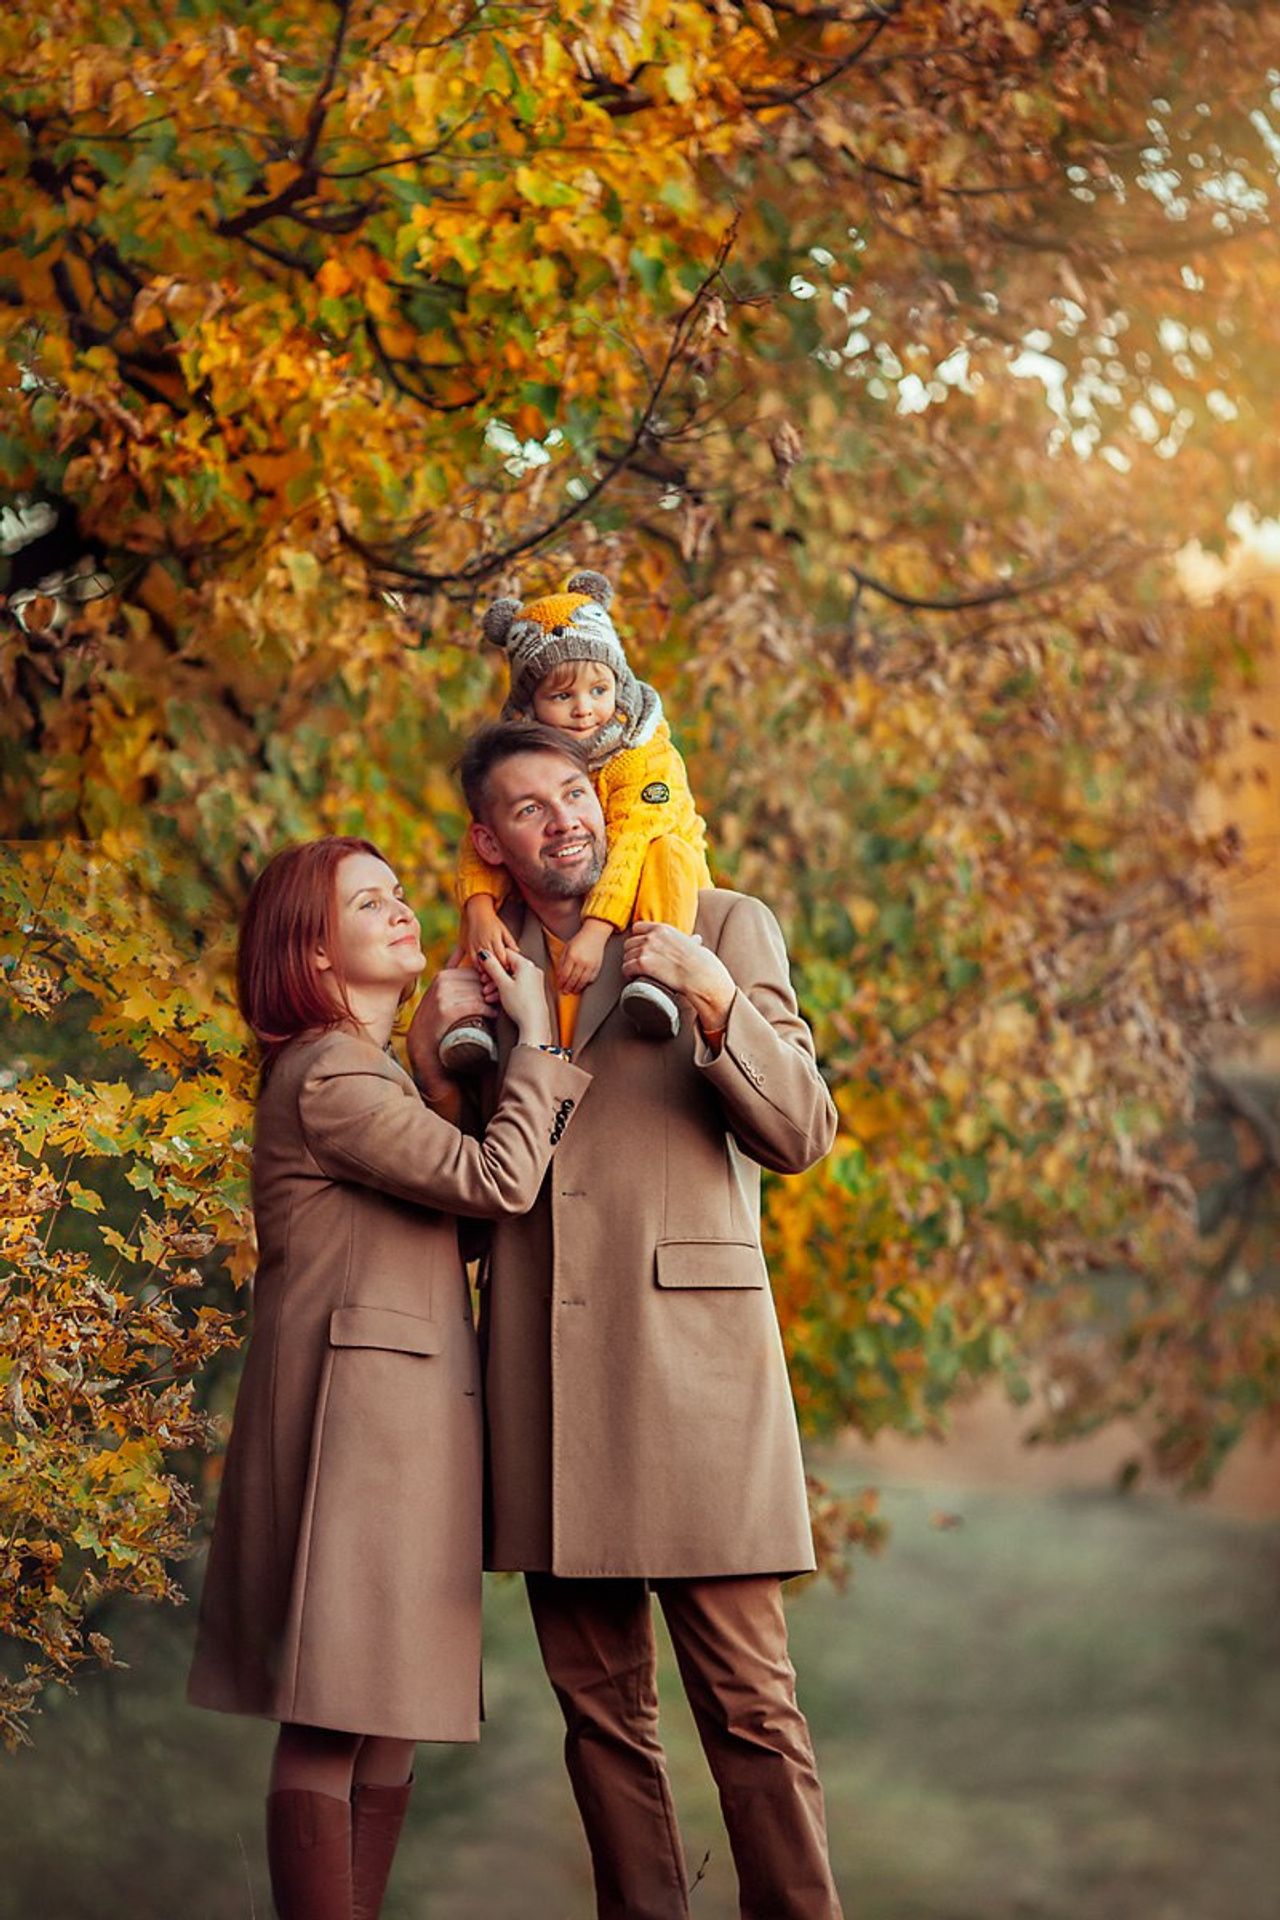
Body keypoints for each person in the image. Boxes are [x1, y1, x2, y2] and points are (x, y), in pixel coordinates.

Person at [409, 724, 845, 1920]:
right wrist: (433, 1068)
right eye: (530, 808)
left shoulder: (721, 921)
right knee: (599, 1719)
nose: (566, 820)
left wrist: (714, 1003)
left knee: (751, 1708)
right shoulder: (477, 976)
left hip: (697, 1373)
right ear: (489, 841)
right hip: (544, 1378)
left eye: (575, 792)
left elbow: (802, 1132)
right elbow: (457, 1202)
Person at [187, 834, 589, 1920]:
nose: (404, 909)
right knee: (335, 1713)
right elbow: (497, 1185)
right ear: (315, 954)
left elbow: (452, 1221)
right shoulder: (328, 1073)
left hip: (408, 1426)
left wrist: (436, 1069)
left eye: (400, 892)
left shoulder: (371, 1076)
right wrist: (540, 1039)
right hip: (352, 1429)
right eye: (369, 904)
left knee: (391, 1714)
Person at [440, 567, 712, 1071]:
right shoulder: (532, 758)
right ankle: (471, 1013)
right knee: (496, 894)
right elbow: (485, 835)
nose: (585, 710)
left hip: (656, 880)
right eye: (563, 697)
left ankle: (656, 978)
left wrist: (594, 932)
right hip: (584, 880)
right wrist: (477, 909)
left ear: (619, 684)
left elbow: (631, 842)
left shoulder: (643, 752)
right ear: (529, 705)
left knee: (665, 853)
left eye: (599, 690)